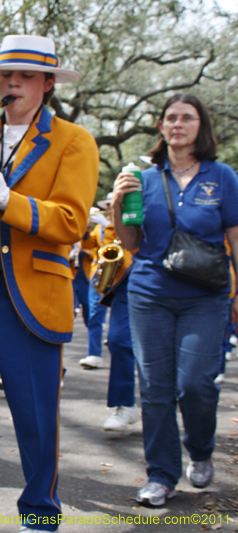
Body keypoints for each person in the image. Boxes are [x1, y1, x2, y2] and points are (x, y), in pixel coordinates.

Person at [0, 35, 99, 533]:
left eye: (25, 76)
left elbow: (72, 221)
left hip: (34, 296)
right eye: (6, 75)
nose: (12, 83)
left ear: (48, 84)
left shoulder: (75, 141)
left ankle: (39, 513)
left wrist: (9, 201)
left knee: (35, 418)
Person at [112, 93, 238, 507]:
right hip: (150, 295)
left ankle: (200, 450)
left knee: (195, 383)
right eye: (171, 118)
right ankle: (161, 475)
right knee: (155, 387)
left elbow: (235, 239)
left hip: (206, 296)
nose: (178, 124)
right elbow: (131, 243)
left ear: (200, 127)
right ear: (161, 127)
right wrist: (117, 203)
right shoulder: (144, 179)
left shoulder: (222, 176)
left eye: (187, 118)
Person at [85, 198, 139, 431]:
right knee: (118, 341)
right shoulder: (133, 194)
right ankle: (125, 404)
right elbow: (108, 240)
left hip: (165, 278)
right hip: (127, 282)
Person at [78, 204, 111, 369]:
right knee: (94, 315)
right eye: (109, 205)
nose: (111, 207)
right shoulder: (98, 228)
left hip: (121, 276)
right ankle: (94, 353)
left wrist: (108, 225)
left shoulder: (117, 223)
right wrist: (85, 228)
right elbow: (88, 245)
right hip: (100, 276)